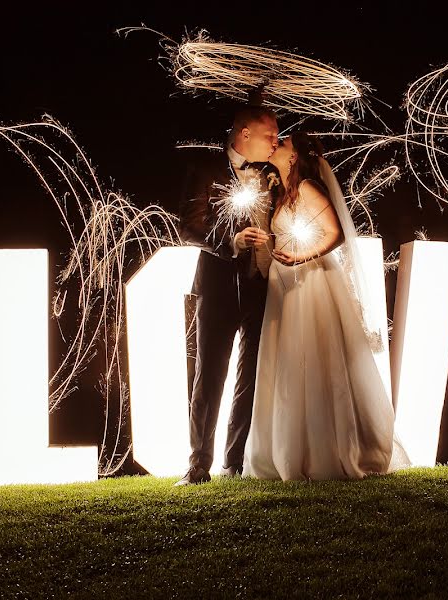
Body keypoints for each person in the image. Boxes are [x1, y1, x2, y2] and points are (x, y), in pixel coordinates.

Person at [243, 132, 408, 480]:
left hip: (311, 284)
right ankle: (295, 448)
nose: (276, 143)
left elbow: (335, 233)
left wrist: (301, 256)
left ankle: (329, 449)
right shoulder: (283, 192)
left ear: (293, 157)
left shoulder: (306, 188)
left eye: (283, 142)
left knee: (316, 358)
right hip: (286, 285)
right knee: (290, 362)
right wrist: (268, 242)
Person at [174, 105, 280, 486]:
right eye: (270, 135)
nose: (276, 143)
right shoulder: (204, 168)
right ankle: (198, 464)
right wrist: (230, 243)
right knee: (210, 375)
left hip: (262, 286)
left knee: (250, 377)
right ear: (245, 134)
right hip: (218, 288)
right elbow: (187, 228)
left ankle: (233, 462)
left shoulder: (272, 174)